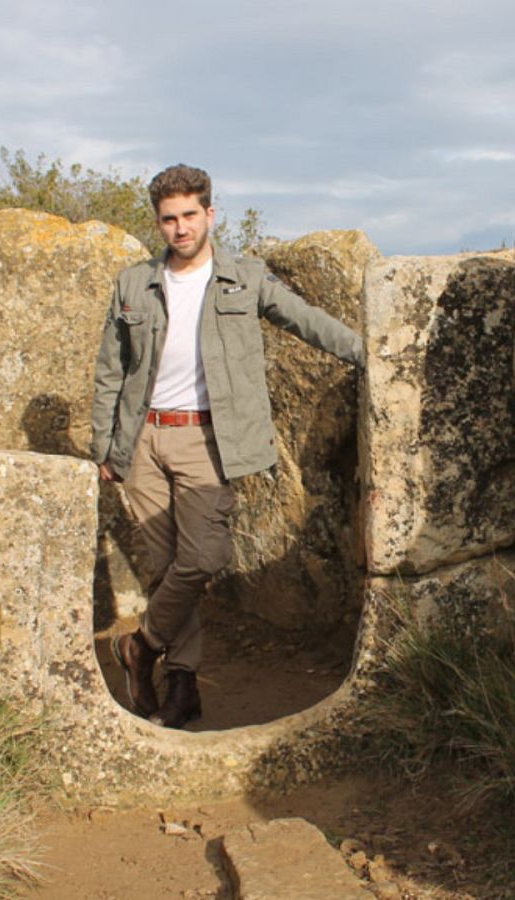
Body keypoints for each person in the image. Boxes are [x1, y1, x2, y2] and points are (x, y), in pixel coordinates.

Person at [90, 164, 364, 728]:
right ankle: (181, 689)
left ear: (210, 215)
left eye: (191, 215)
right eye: (169, 219)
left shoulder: (244, 277)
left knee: (204, 558)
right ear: (159, 223)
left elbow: (305, 320)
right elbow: (110, 371)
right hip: (141, 440)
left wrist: (370, 353)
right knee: (165, 569)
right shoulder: (133, 284)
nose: (181, 228)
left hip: (206, 439)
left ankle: (139, 647)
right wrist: (103, 446)